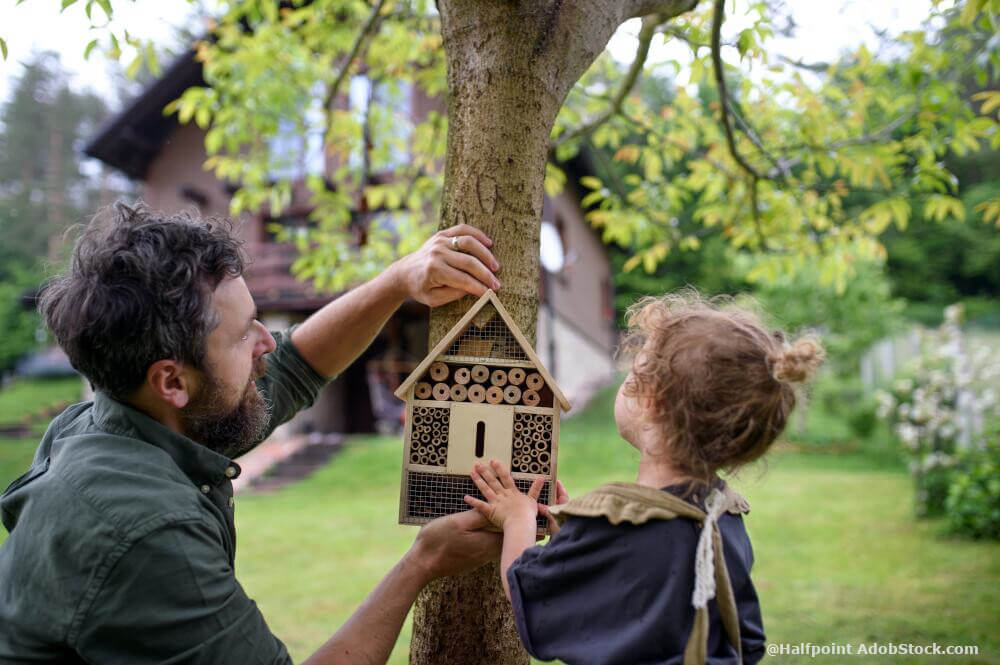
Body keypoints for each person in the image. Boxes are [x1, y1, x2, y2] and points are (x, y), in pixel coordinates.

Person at [0, 201, 505, 664]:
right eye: (245, 335)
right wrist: (421, 563)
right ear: (172, 379)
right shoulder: (147, 532)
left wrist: (397, 281)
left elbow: (296, 365)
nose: (268, 341)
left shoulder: (131, 420)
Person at [464, 291, 825, 665]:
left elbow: (533, 593)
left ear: (651, 402)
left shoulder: (619, 525)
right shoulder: (723, 520)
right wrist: (571, 545)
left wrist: (516, 519)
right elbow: (737, 635)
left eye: (632, 375)